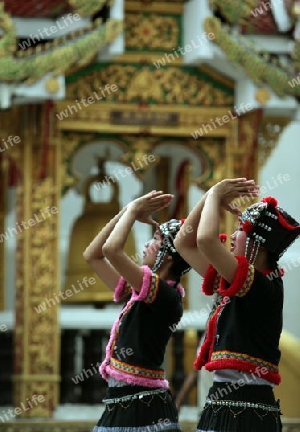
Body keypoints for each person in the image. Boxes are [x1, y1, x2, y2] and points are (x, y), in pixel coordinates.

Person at [174, 178, 300, 432]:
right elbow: (183, 243)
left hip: (244, 408)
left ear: (258, 245)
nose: (232, 235)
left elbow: (206, 241)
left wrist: (215, 195)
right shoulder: (242, 282)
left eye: (241, 229)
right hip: (224, 403)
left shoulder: (260, 285)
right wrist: (210, 197)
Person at [83, 190, 192, 432]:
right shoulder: (140, 291)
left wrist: (132, 210)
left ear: (170, 255)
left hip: (144, 409)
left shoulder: (166, 295)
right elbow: (93, 254)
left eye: (155, 239)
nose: (146, 244)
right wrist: (125, 212)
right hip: (124, 404)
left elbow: (112, 250)